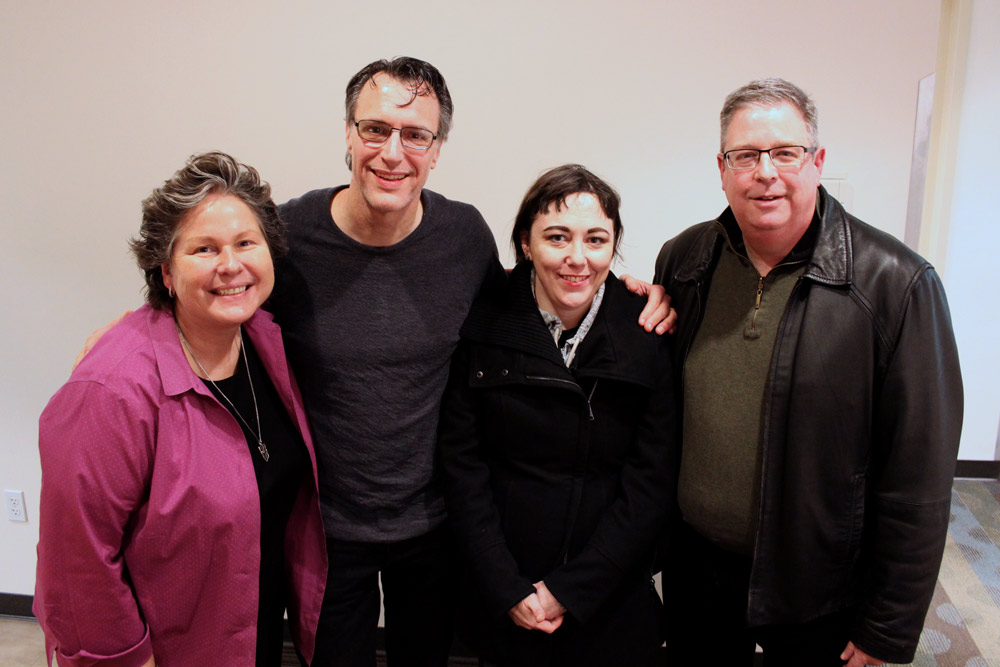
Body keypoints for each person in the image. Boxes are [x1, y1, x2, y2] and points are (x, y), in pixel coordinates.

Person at [268, 57, 674, 666]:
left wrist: (627, 291)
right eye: (375, 129)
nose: (392, 153)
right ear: (348, 134)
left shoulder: (462, 236)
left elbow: (520, 301)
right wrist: (144, 321)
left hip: (436, 527)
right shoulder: (288, 235)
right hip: (327, 528)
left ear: (437, 150)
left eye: (416, 136)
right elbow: (222, 298)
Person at [653, 78, 963, 666]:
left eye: (785, 152)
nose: (765, 171)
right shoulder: (686, 258)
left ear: (816, 161)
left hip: (822, 586)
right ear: (722, 169)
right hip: (699, 568)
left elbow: (918, 479)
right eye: (745, 155)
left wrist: (886, 625)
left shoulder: (897, 284)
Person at [34, 152, 327, 667]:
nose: (230, 265)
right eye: (204, 248)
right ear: (166, 271)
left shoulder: (265, 341)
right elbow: (75, 567)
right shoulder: (110, 392)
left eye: (245, 243)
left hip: (251, 637)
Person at [436, 164, 675, 666]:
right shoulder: (482, 323)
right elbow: (463, 466)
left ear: (614, 247)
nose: (577, 259)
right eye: (557, 237)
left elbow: (650, 483)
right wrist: (506, 586)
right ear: (525, 243)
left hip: (608, 597)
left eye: (595, 239)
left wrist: (570, 589)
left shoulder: (647, 335)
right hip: (507, 592)